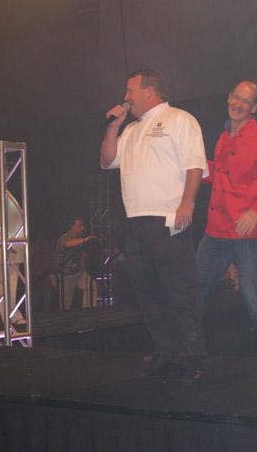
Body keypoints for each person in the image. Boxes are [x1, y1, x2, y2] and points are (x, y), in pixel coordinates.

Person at [100, 68, 208, 383]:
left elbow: (195, 165)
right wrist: (114, 126)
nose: (126, 97)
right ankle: (167, 353)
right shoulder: (131, 129)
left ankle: (192, 358)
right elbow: (106, 160)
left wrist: (187, 203)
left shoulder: (179, 119)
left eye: (130, 90)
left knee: (179, 290)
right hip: (135, 221)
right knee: (148, 293)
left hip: (168, 218)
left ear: (149, 91)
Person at [196, 80, 257, 373]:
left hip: (247, 232)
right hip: (216, 229)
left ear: (255, 108)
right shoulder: (224, 136)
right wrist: (195, 169)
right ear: (228, 97)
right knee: (195, 290)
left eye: (246, 101)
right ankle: (178, 350)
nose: (238, 104)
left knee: (253, 294)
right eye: (236, 97)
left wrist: (256, 212)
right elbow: (223, 176)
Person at [0, 167, 26, 327]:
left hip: (7, 242)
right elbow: (6, 216)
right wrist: (7, 241)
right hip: (3, 242)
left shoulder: (0, 188)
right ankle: (11, 316)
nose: (5, 173)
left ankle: (11, 315)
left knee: (6, 283)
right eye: (1, 170)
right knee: (5, 282)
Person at [52, 217, 96, 310]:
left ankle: (89, 311)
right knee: (66, 303)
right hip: (64, 275)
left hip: (78, 272)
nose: (82, 228)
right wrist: (84, 240)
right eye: (80, 226)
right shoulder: (64, 238)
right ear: (72, 226)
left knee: (91, 286)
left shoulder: (80, 239)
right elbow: (67, 244)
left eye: (83, 226)